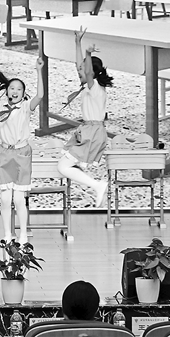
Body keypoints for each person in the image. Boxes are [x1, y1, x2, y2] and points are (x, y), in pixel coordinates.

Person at [0, 53, 44, 245]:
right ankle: (7, 234)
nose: (15, 91)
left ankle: (23, 235)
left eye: (19, 89)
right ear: (7, 90)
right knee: (5, 199)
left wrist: (39, 70)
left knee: (19, 199)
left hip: (22, 154)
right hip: (5, 154)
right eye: (12, 88)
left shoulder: (26, 107)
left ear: (23, 93)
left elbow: (40, 95)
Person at [56, 27, 113, 208]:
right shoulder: (92, 86)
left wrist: (87, 54)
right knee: (70, 165)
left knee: (63, 166)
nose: (78, 71)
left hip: (92, 132)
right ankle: (96, 186)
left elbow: (87, 72)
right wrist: (78, 42)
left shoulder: (93, 86)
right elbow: (80, 66)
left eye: (82, 69)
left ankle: (98, 186)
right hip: (90, 130)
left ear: (92, 73)